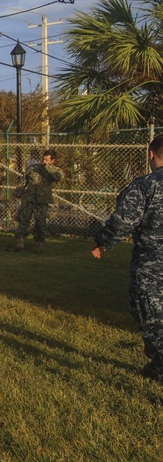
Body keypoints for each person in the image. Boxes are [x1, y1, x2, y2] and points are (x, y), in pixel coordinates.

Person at [91, 134, 163, 383]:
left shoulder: (146, 185)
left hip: (153, 265)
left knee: (151, 316)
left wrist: (103, 241)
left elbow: (123, 222)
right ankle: (155, 365)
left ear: (151, 154)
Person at [11, 149, 63, 252]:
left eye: (47, 160)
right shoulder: (33, 168)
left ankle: (39, 244)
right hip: (29, 199)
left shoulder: (55, 171)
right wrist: (18, 191)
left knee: (40, 223)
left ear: (53, 161)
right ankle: (20, 242)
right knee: (23, 220)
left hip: (42, 201)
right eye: (43, 159)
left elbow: (58, 178)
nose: (44, 161)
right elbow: (24, 181)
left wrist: (48, 168)